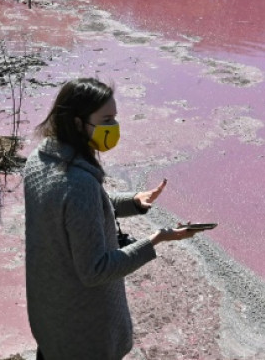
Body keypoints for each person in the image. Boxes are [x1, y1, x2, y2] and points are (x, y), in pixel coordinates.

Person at [23, 78, 200, 360]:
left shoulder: (40, 160)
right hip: (85, 333)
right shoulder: (78, 182)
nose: (114, 128)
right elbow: (96, 270)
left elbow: (75, 214)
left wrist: (133, 202)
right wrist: (155, 240)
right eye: (106, 119)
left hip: (50, 316)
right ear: (78, 123)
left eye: (115, 118)